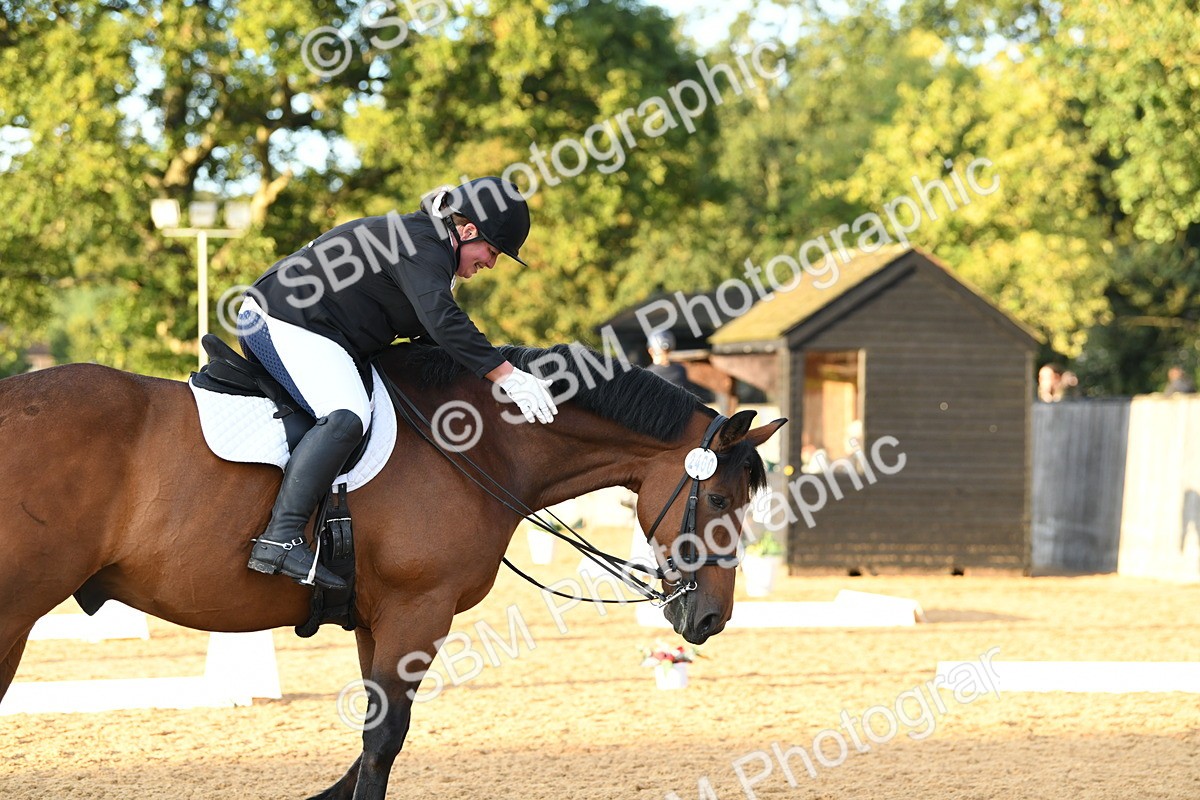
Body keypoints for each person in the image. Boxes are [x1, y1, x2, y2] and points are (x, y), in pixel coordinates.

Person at [236, 177, 558, 589]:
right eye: (491, 252)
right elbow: (443, 322)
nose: (491, 264)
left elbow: (431, 337)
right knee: (347, 415)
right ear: (467, 231)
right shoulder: (422, 243)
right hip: (280, 320)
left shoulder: (428, 245)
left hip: (312, 327)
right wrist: (506, 375)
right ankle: (280, 538)